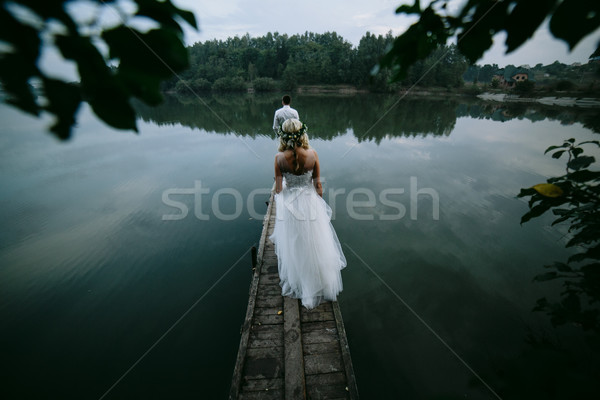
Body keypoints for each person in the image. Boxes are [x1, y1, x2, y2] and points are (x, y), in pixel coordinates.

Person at [269, 118, 346, 309]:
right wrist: (318, 202)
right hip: (309, 203)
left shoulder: (279, 158)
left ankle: (300, 279)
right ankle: (319, 279)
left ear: (283, 136)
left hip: (290, 205)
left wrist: (284, 183)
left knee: (295, 241)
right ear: (303, 133)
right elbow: (318, 186)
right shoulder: (313, 154)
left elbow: (278, 189)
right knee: (315, 240)